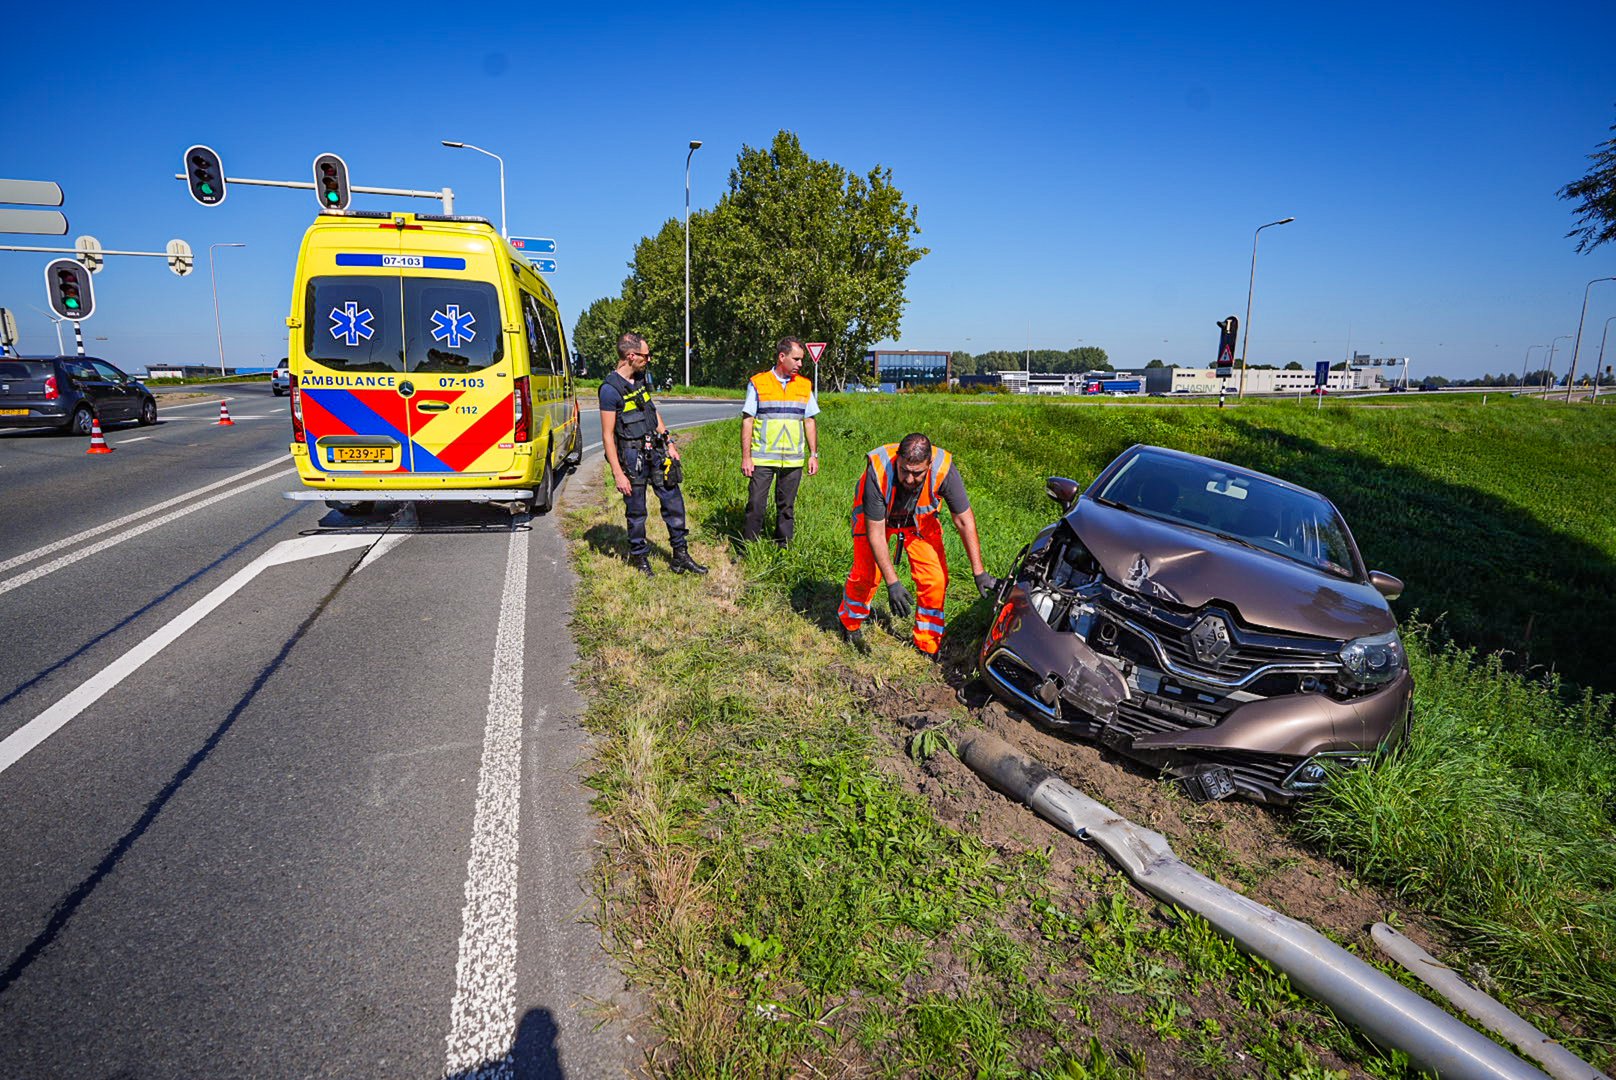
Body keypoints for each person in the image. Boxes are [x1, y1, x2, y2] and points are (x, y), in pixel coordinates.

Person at [837, 433, 996, 656]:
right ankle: (850, 622)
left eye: (917, 473)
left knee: (935, 580)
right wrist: (893, 583)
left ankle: (927, 643)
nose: (910, 479)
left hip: (919, 522)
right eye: (904, 471)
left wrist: (979, 572)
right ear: (897, 459)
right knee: (866, 574)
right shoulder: (878, 472)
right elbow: (876, 534)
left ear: (929, 464)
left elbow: (963, 520)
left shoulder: (944, 470)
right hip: (877, 520)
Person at [599, 333, 708, 577]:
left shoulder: (641, 379)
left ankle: (680, 556)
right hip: (632, 458)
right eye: (646, 355)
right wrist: (618, 474)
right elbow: (607, 436)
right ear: (631, 356)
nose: (649, 359)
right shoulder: (609, 390)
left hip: (656, 451)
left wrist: (669, 441)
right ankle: (640, 559)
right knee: (637, 512)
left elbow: (652, 411)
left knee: (674, 502)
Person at [740, 336, 820, 545]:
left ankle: (783, 547)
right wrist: (746, 457)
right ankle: (749, 547)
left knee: (786, 507)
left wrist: (813, 455)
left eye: (802, 359)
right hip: (762, 458)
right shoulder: (759, 383)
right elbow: (748, 420)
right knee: (756, 504)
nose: (800, 364)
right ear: (782, 357)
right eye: (796, 359)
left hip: (793, 459)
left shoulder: (804, 385)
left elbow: (809, 421)